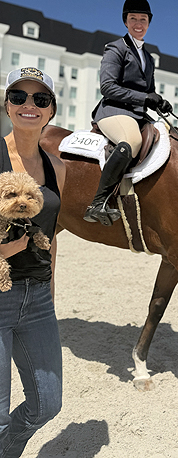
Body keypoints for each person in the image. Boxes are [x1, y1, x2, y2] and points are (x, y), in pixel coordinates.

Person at [0, 67, 66, 457]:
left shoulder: (58, 168)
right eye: (18, 96)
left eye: (40, 99)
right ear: (7, 105)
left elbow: (52, 237)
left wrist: (50, 296)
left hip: (38, 299)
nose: (29, 104)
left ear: (51, 110)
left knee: (47, 405)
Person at [83, 0, 172, 227]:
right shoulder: (116, 48)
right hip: (113, 111)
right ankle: (98, 202)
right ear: (125, 21)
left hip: (137, 114)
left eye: (143, 19)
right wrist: (144, 98)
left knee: (169, 136)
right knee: (132, 140)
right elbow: (107, 87)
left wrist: (159, 102)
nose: (138, 24)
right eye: (133, 19)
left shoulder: (148, 58)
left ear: (149, 23)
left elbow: (148, 92)